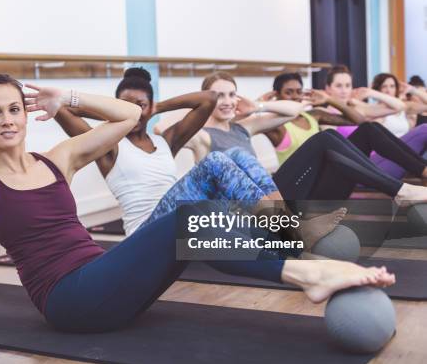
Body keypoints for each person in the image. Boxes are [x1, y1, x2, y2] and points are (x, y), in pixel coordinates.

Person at [0, 73, 394, 332]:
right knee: (188, 222)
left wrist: (66, 98)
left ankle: (304, 259)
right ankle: (309, 275)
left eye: (15, 109)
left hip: (108, 277)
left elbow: (126, 116)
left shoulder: (59, 158)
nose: (8, 120)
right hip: (70, 301)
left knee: (205, 211)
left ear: (26, 116)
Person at [54, 68, 345, 247]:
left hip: (179, 218)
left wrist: (156, 107)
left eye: (141, 104)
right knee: (216, 162)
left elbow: (207, 100)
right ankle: (294, 231)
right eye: (126, 105)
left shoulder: (164, 141)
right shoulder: (108, 146)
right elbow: (63, 109)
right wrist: (117, 110)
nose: (135, 111)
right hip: (145, 234)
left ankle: (290, 226)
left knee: (234, 154)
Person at [156, 72, 427, 207]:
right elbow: (160, 129)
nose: (226, 101)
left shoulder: (245, 128)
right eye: (218, 96)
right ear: (206, 99)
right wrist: (199, 107)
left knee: (369, 131)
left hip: (285, 198)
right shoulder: (202, 136)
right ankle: (399, 191)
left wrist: (258, 107)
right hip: (257, 211)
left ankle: (420, 175)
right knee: (326, 139)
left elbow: (296, 110)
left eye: (231, 95)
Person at [268, 71, 427, 180]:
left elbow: (360, 122)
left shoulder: (313, 116)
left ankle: (423, 170)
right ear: (276, 94)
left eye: (298, 91)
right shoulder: (275, 126)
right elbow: (247, 124)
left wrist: (330, 100)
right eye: (289, 92)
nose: (295, 96)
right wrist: (262, 105)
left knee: (370, 128)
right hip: (317, 176)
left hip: (347, 166)